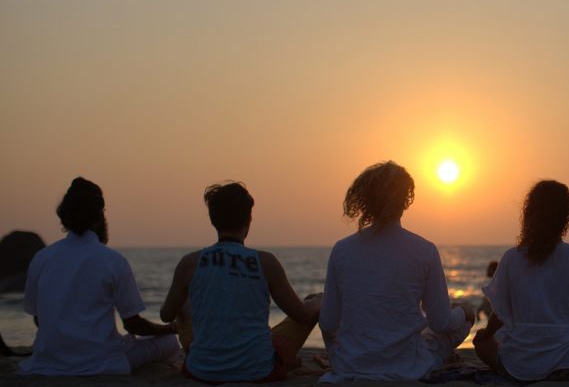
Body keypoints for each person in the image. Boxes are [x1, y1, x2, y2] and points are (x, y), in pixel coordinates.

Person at [319, 161, 475, 382]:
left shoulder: (342, 249)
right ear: (405, 201)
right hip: (407, 367)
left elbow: (328, 322)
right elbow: (440, 323)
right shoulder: (424, 250)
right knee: (461, 321)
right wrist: (463, 312)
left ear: (365, 200)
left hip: (349, 364)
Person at [160, 182, 321, 383]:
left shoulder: (190, 263)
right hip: (259, 370)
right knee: (313, 304)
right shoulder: (266, 262)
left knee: (183, 304)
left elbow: (166, 315)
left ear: (213, 220)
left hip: (201, 370)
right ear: (249, 219)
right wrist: (318, 301)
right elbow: (301, 315)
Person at [19, 177, 179, 375]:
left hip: (48, 361)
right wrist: (169, 329)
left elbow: (39, 320)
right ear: (99, 216)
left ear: (64, 216)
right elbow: (133, 324)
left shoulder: (42, 258)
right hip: (101, 362)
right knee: (170, 343)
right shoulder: (112, 261)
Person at [473, 180, 569, 382]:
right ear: (566, 218)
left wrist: (486, 333)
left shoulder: (511, 258)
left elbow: (499, 315)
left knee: (481, 344)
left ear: (528, 214)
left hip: (517, 367)